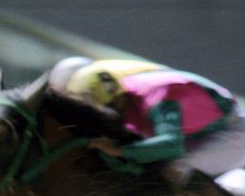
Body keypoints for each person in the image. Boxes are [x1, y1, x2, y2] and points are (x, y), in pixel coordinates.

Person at [50, 56, 245, 186]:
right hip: (205, 133)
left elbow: (170, 145)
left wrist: (119, 150)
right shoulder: (127, 93)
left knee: (177, 167)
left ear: (112, 99)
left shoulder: (158, 94)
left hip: (235, 134)